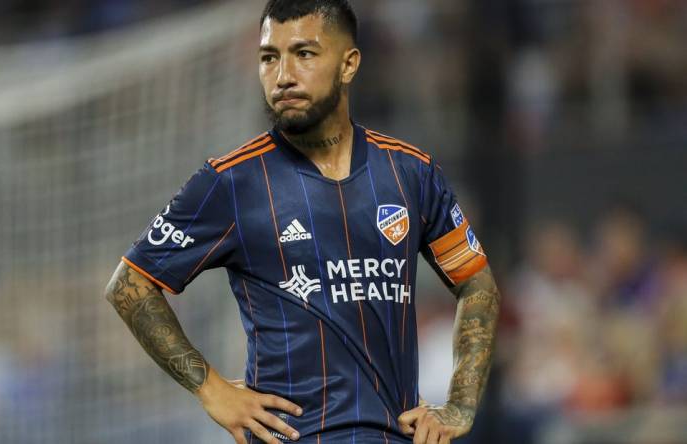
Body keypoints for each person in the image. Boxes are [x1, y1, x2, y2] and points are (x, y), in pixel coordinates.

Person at [104, 1, 501, 443]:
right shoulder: (231, 182)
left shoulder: (411, 172)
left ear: (349, 64)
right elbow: (129, 285)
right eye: (269, 57)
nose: (283, 75)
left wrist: (460, 405)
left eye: (304, 54)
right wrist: (211, 389)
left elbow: (476, 284)